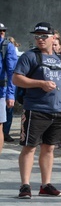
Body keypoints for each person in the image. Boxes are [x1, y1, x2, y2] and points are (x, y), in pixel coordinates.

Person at [12, 22, 61, 199]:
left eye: (44, 36)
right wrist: (40, 83)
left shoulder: (60, 59)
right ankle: (25, 185)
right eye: (37, 36)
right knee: (29, 147)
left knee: (49, 148)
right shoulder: (30, 56)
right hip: (36, 109)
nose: (40, 39)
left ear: (54, 37)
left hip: (57, 111)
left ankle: (46, 185)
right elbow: (16, 79)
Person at [1, 22, 18, 154]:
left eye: (2, 31)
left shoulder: (7, 47)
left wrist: (10, 94)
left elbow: (12, 72)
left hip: (1, 91)